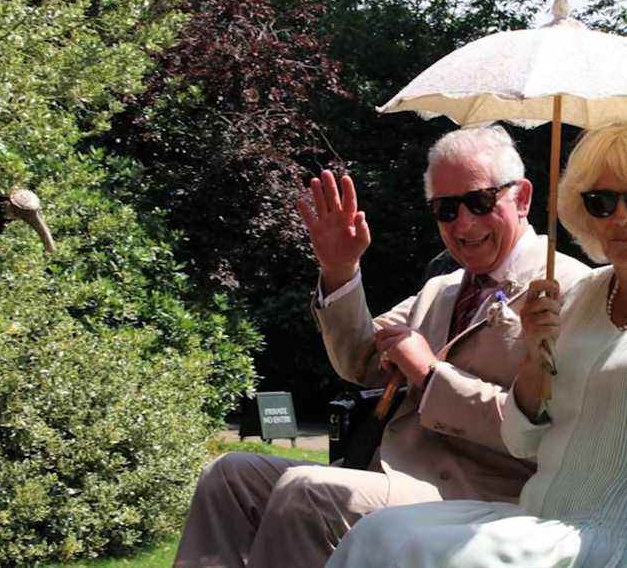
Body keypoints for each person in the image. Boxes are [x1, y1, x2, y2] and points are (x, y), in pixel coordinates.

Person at [325, 122, 627, 568]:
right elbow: (522, 439)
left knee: (436, 557)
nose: (621, 216)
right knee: (378, 533)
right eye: (602, 201)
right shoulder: (581, 295)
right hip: (540, 514)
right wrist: (535, 356)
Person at [172, 126, 590, 568]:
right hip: (390, 477)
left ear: (521, 197)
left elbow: (544, 432)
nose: (463, 224)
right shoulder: (441, 290)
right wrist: (340, 269)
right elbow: (360, 359)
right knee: (230, 475)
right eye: (446, 210)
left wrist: (430, 376)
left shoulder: (569, 290)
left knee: (308, 493)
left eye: (479, 202)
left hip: (483, 493)